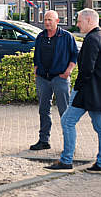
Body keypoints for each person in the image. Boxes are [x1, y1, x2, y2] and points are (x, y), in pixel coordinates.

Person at [46, 9, 101, 174]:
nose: (77, 25)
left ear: (89, 20)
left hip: (88, 92)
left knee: (67, 121)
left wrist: (77, 88)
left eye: (79, 21)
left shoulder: (91, 39)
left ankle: (66, 161)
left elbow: (86, 69)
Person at [29, 10, 79, 151]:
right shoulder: (40, 36)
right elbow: (36, 55)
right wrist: (36, 69)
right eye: (45, 20)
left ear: (57, 21)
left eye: (50, 20)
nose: (47, 22)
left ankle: (69, 145)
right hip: (43, 78)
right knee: (43, 110)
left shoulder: (67, 36)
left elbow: (75, 55)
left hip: (60, 78)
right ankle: (44, 140)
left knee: (65, 111)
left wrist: (68, 71)